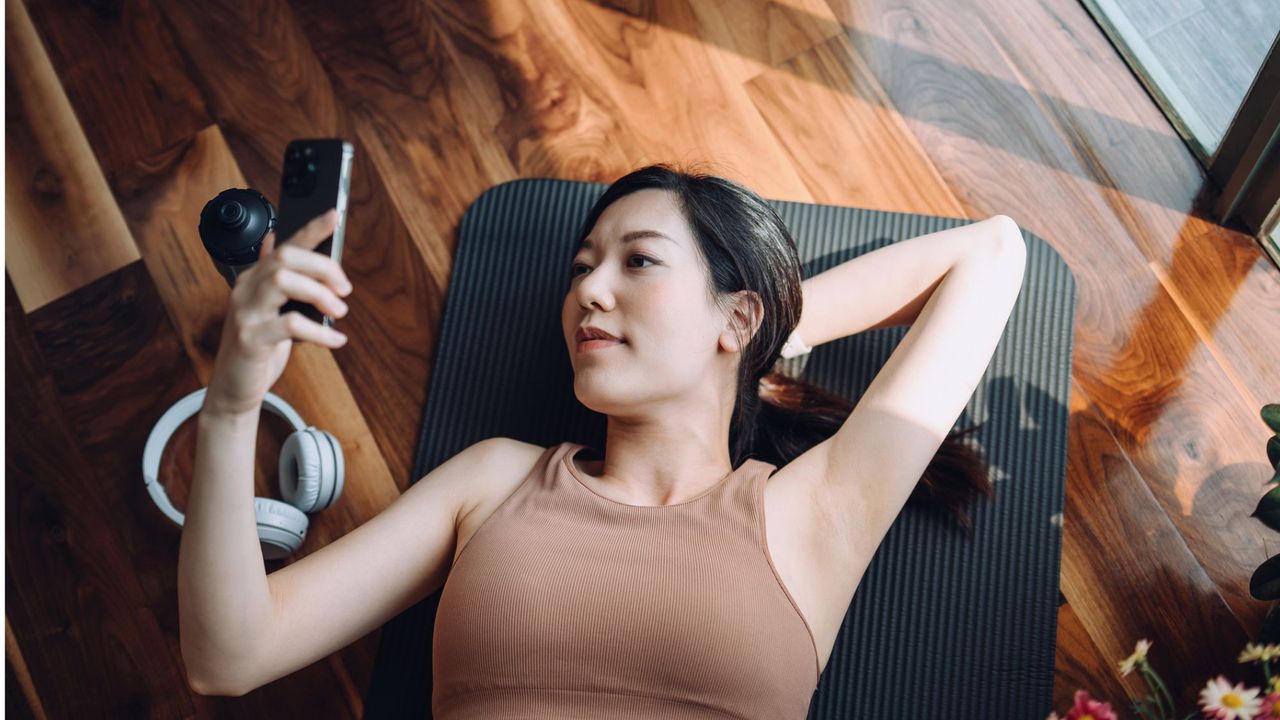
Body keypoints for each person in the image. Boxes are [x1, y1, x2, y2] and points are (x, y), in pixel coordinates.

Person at [179, 163, 997, 718]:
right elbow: (229, 656)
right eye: (580, 269)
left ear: (736, 313)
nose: (588, 290)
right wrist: (231, 400)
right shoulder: (494, 482)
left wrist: (756, 331)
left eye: (637, 262)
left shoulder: (810, 516)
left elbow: (988, 256)